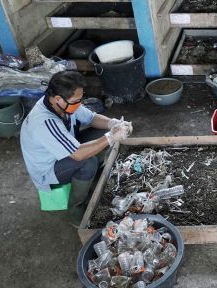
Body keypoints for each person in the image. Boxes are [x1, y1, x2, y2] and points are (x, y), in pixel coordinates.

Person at [20, 71, 133, 225]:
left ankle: (90, 179)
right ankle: (75, 210)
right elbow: (78, 155)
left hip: (65, 150)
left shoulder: (65, 103)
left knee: (103, 132)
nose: (79, 104)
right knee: (88, 162)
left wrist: (113, 124)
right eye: (76, 101)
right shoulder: (44, 122)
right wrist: (111, 137)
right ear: (58, 98)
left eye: (80, 99)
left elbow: (92, 118)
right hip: (49, 170)